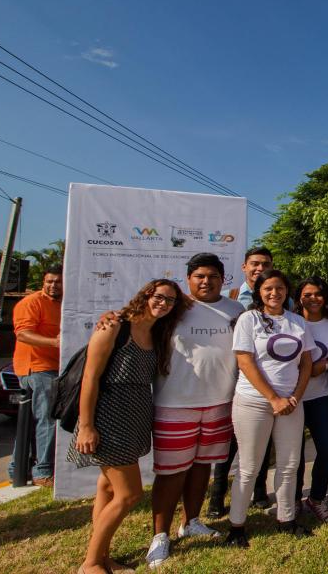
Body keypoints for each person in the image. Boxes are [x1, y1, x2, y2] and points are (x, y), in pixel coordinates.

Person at [70, 279, 188, 574]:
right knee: (129, 494)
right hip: (108, 415)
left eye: (171, 300)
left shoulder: (156, 331)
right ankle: (91, 563)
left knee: (107, 489)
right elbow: (90, 378)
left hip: (135, 416)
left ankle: (102, 555)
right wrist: (86, 425)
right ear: (146, 295)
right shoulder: (114, 326)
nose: (164, 303)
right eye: (159, 297)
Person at [146, 254, 244, 568]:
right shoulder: (173, 308)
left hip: (219, 402)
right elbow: (136, 324)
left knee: (204, 465)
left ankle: (191, 521)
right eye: (199, 276)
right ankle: (160, 535)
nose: (206, 281)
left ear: (223, 279)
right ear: (188, 279)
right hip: (175, 403)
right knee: (171, 472)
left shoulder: (235, 310)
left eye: (213, 276)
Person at [226, 270, 315, 547]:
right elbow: (245, 361)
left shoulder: (298, 322)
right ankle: (237, 526)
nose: (274, 293)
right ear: (259, 292)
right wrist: (273, 399)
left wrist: (295, 397)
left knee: (289, 465)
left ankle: (286, 519)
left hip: (290, 404)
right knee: (249, 467)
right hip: (253, 401)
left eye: (279, 288)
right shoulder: (248, 319)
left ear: (287, 292)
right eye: (268, 289)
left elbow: (307, 364)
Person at [211, 246, 275, 516]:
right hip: (232, 380)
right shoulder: (228, 299)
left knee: (264, 439)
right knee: (228, 444)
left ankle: (259, 490)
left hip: (269, 383)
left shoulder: (282, 301)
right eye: (255, 264)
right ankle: (216, 498)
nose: (259, 269)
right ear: (244, 267)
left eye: (265, 264)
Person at [293, 277, 328, 523]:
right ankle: (293, 500)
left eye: (318, 294)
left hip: (321, 396)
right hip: (292, 397)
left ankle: (315, 498)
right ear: (298, 297)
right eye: (307, 294)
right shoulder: (290, 323)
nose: (313, 298)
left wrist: (326, 364)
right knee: (295, 453)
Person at [8, 264, 63, 486]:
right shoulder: (31, 303)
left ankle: (16, 469)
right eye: (49, 281)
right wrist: (55, 343)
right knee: (47, 419)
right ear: (43, 281)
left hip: (55, 367)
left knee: (31, 422)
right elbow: (23, 334)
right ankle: (42, 471)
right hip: (37, 368)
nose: (53, 286)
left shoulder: (64, 304)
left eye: (58, 282)